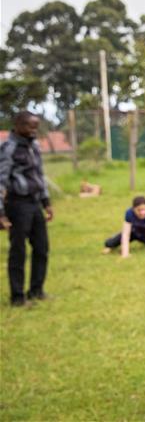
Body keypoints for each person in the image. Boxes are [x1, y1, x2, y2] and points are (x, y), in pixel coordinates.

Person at [0, 111, 53, 307]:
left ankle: (36, 291)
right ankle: (17, 297)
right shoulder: (8, 148)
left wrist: (46, 202)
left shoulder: (34, 146)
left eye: (36, 127)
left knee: (41, 248)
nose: (34, 130)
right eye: (30, 126)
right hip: (17, 204)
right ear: (18, 125)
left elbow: (40, 175)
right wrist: (1, 213)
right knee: (18, 251)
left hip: (34, 202)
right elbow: (1, 180)